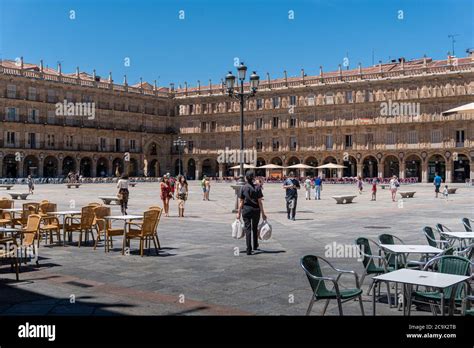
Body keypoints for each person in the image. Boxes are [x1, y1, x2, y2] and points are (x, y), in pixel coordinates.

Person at [237, 171, 267, 255]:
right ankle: (255, 245)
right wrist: (263, 213)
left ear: (246, 177)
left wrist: (238, 213)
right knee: (254, 227)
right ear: (253, 178)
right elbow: (260, 202)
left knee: (248, 229)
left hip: (246, 210)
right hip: (256, 210)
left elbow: (241, 201)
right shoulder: (257, 188)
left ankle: (248, 249)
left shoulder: (243, 188)